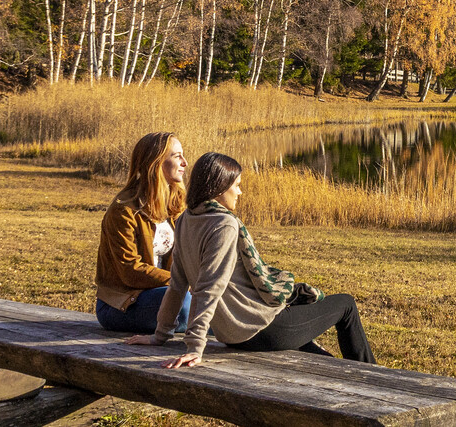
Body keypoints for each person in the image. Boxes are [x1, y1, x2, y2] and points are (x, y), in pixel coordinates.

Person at [126, 152, 376, 368]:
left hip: (232, 334)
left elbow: (178, 285)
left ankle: (340, 370)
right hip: (262, 330)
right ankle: (373, 374)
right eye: (237, 185)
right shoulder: (224, 224)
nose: (240, 192)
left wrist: (160, 335)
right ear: (220, 187)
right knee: (345, 304)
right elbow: (209, 288)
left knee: (302, 311)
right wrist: (195, 347)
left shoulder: (186, 220)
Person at [95, 131, 190, 334]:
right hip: (123, 304)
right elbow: (130, 270)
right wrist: (181, 282)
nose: (185, 162)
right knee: (184, 303)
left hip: (165, 294)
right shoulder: (124, 210)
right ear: (155, 162)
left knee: (215, 297)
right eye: (177, 156)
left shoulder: (175, 206)